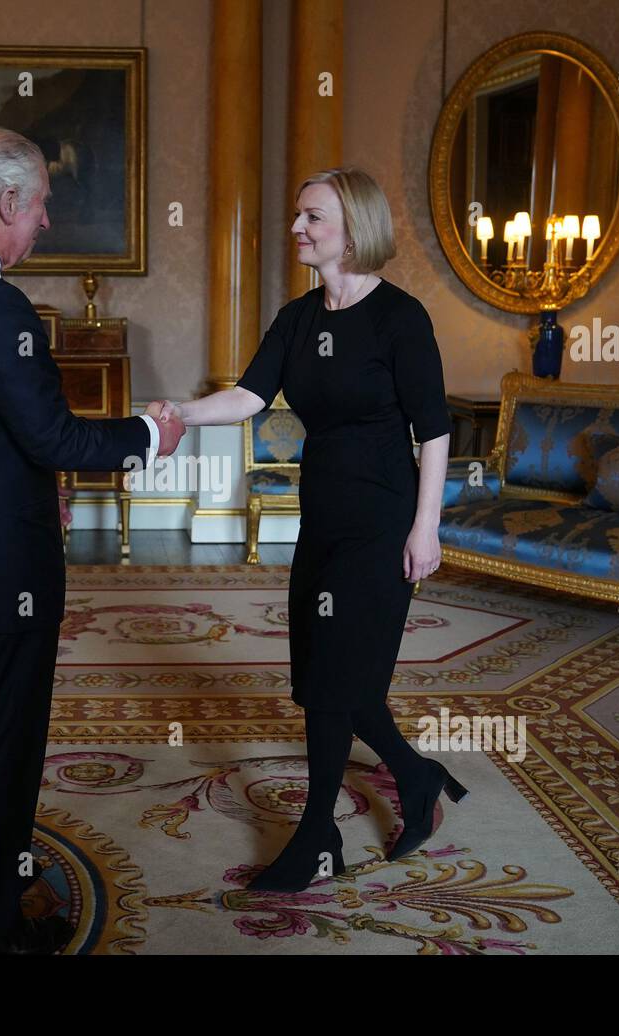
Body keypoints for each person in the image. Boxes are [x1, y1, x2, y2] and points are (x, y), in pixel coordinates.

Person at [0, 126, 185, 954]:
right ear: (9, 201)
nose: (46, 221)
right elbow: (53, 439)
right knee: (1, 756)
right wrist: (150, 435)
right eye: (43, 204)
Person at [149, 167, 466, 891]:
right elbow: (249, 395)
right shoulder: (297, 319)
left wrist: (427, 528)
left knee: (334, 686)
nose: (297, 227)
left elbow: (436, 430)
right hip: (320, 520)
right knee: (334, 681)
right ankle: (417, 778)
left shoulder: (401, 318)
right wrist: (178, 416)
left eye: (312, 216)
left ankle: (318, 836)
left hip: (383, 522)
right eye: (297, 215)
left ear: (353, 227)